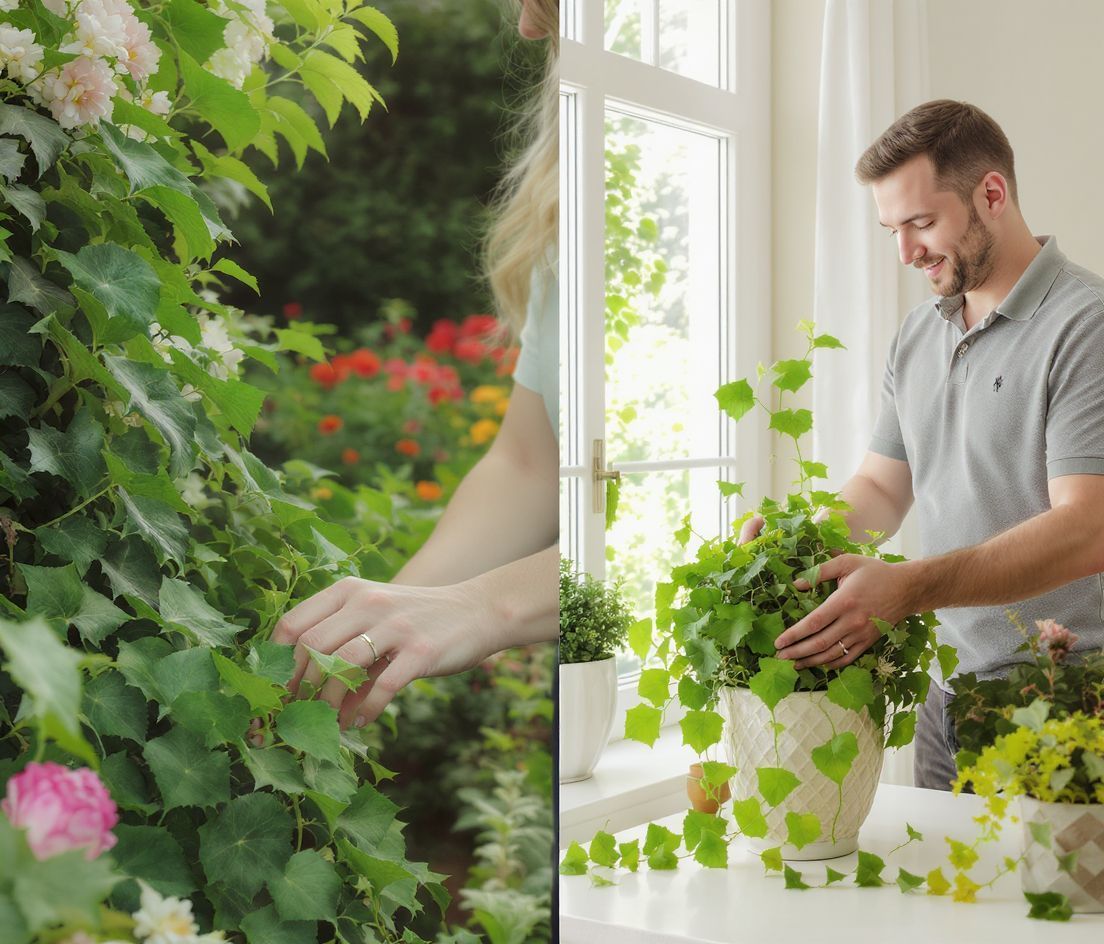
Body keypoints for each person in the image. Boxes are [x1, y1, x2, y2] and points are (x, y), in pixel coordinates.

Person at [740, 99, 1104, 790]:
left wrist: (907, 588)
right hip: (945, 696)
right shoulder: (917, 333)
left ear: (991, 194)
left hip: (1063, 696)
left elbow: (1088, 527)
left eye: (921, 222)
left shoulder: (1087, 326)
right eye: (892, 229)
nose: (906, 251)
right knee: (944, 900)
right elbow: (881, 489)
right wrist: (795, 548)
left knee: (1051, 901)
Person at [267, 0, 560, 731]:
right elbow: (529, 465)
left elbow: (697, 516)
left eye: (549, 1)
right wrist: (364, 635)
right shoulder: (571, 212)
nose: (528, 27)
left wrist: (485, 604)